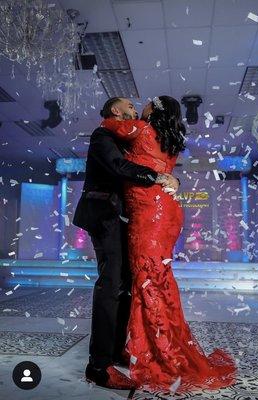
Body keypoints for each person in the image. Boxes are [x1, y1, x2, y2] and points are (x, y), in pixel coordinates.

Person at [99, 95, 237, 392]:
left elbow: (110, 123)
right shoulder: (168, 139)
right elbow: (163, 171)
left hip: (148, 215)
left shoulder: (141, 129)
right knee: (156, 278)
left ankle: (160, 352)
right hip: (167, 212)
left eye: (146, 103)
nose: (140, 106)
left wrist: (119, 114)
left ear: (155, 110)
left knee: (148, 279)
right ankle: (154, 343)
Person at [73, 97, 180, 389]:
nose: (135, 110)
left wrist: (171, 179)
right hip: (104, 214)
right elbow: (119, 167)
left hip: (122, 220)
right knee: (110, 284)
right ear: (116, 112)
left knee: (125, 284)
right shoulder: (102, 135)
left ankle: (117, 348)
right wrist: (158, 176)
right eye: (130, 107)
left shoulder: (127, 137)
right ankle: (98, 365)